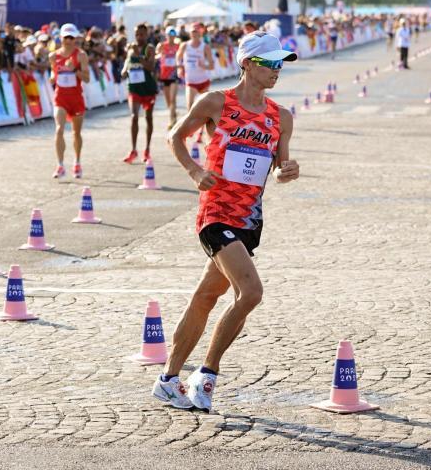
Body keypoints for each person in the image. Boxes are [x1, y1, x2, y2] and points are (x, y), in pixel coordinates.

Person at [151, 30, 299, 412]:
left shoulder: (281, 116)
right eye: (270, 63)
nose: (277, 70)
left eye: (281, 63)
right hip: (215, 213)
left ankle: (168, 380)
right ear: (247, 63)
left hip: (249, 219)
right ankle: (207, 373)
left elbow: (280, 164)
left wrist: (287, 171)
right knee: (250, 292)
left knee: (205, 296)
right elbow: (174, 136)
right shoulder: (217, 102)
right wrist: (194, 171)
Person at [49, 24, 90, 179]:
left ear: (76, 39)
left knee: (76, 133)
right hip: (61, 98)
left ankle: (77, 162)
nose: (69, 40)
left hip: (76, 99)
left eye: (71, 37)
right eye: (66, 37)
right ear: (61, 38)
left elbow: (87, 78)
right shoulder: (53, 56)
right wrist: (53, 77)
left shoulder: (81, 56)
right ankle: (60, 165)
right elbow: (53, 73)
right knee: (59, 129)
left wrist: (74, 70)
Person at [123, 23, 158, 164]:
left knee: (148, 118)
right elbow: (127, 62)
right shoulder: (131, 47)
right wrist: (124, 70)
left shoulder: (149, 48)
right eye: (137, 34)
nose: (139, 37)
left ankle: (147, 149)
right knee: (134, 117)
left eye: (142, 34)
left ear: (146, 34)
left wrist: (139, 56)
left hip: (148, 88)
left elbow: (150, 67)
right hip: (134, 87)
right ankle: (133, 150)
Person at [177, 23, 214, 111]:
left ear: (200, 33)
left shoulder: (205, 47)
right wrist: (179, 68)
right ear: (189, 33)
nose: (194, 34)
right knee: (190, 108)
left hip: (203, 81)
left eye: (196, 32)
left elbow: (212, 66)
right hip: (191, 82)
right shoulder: (184, 45)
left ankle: (203, 125)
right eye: (192, 31)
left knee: (205, 109)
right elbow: (178, 57)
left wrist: (203, 66)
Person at [156, 27, 180, 128]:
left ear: (175, 36)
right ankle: (173, 114)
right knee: (168, 101)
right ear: (166, 35)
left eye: (173, 35)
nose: (171, 37)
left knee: (173, 98)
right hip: (164, 75)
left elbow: (182, 57)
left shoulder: (178, 46)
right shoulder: (162, 45)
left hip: (174, 75)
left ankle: (172, 121)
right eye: (169, 35)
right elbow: (156, 55)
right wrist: (160, 55)